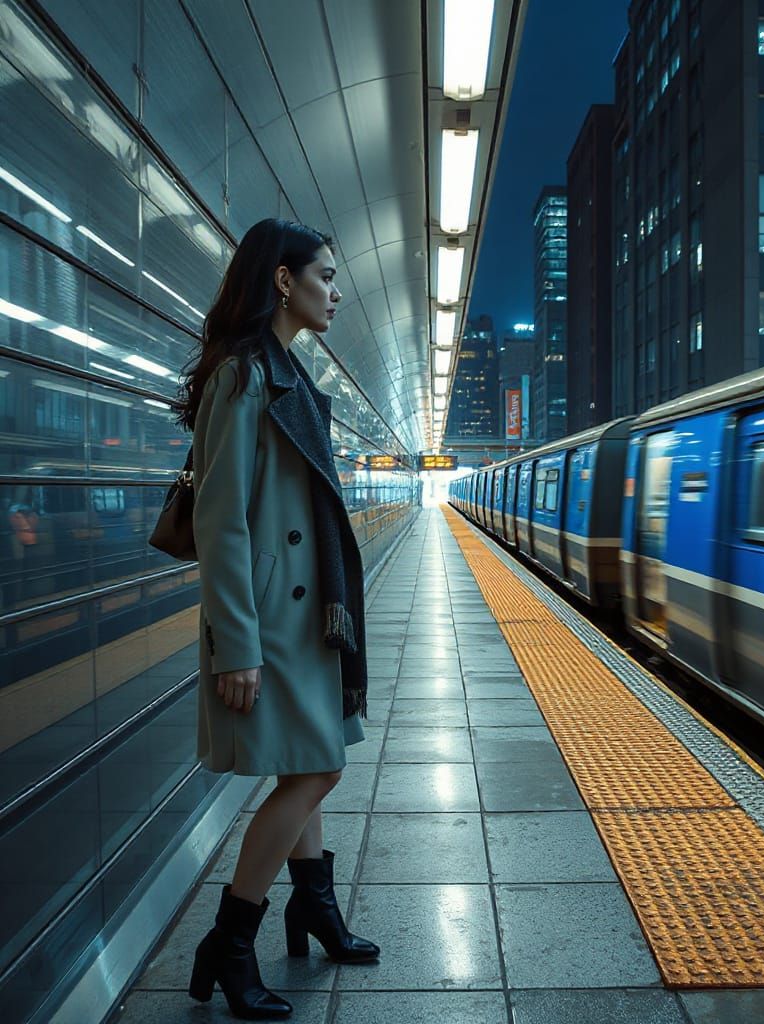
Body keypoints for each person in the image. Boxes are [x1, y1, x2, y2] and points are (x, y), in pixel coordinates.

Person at [174, 219, 380, 1020]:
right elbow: (221, 523)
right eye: (326, 275)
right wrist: (235, 647)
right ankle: (229, 941)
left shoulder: (283, 369)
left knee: (311, 755)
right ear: (284, 281)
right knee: (317, 768)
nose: (337, 292)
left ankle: (314, 907)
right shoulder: (242, 377)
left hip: (306, 613)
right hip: (270, 618)